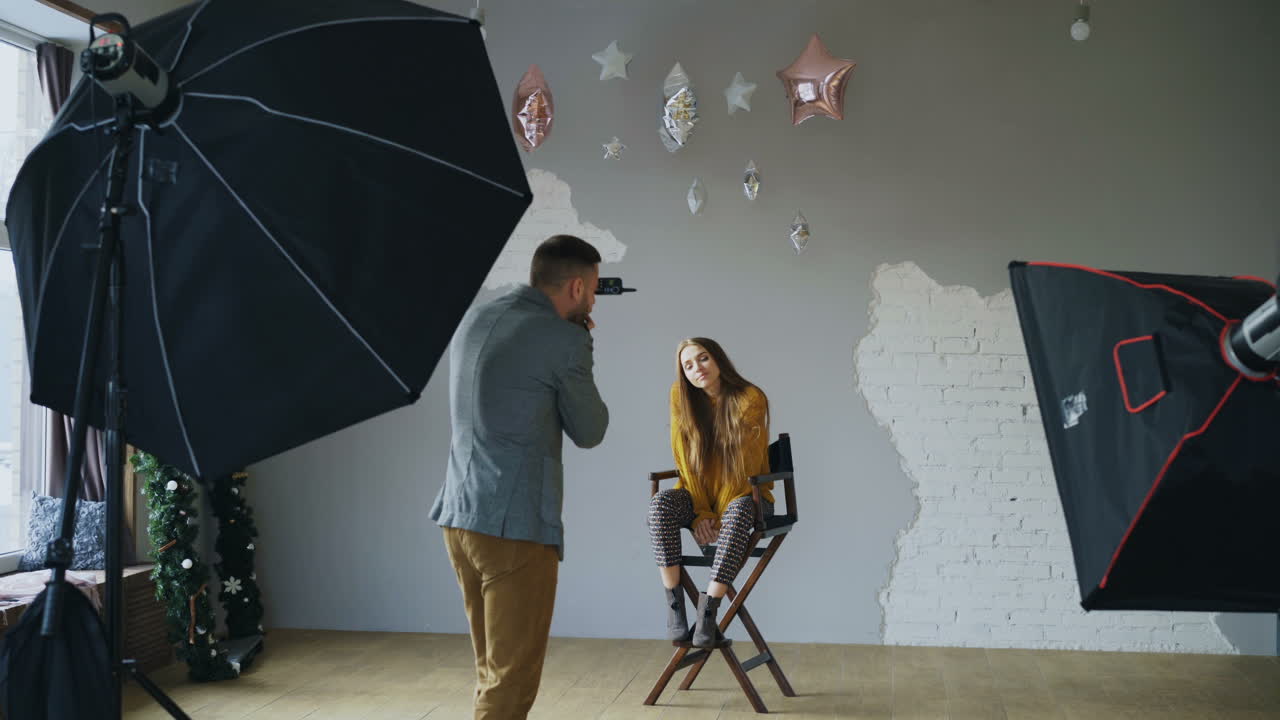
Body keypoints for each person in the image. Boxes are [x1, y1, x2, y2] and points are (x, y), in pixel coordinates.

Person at [430, 234, 609, 719]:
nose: (593, 300)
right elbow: (591, 430)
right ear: (575, 287)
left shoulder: (479, 316)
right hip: (514, 529)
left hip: (460, 515)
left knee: (492, 670)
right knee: (511, 681)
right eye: (592, 290)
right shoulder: (564, 338)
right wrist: (583, 341)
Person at [647, 337, 773, 648]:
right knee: (661, 504)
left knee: (739, 510)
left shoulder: (750, 398)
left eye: (702, 359)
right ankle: (675, 606)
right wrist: (701, 514)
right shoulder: (681, 397)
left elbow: (743, 467)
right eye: (687, 365)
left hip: (748, 497)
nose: (696, 369)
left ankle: (708, 611)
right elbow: (685, 464)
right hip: (701, 500)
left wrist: (716, 516)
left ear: (718, 360)